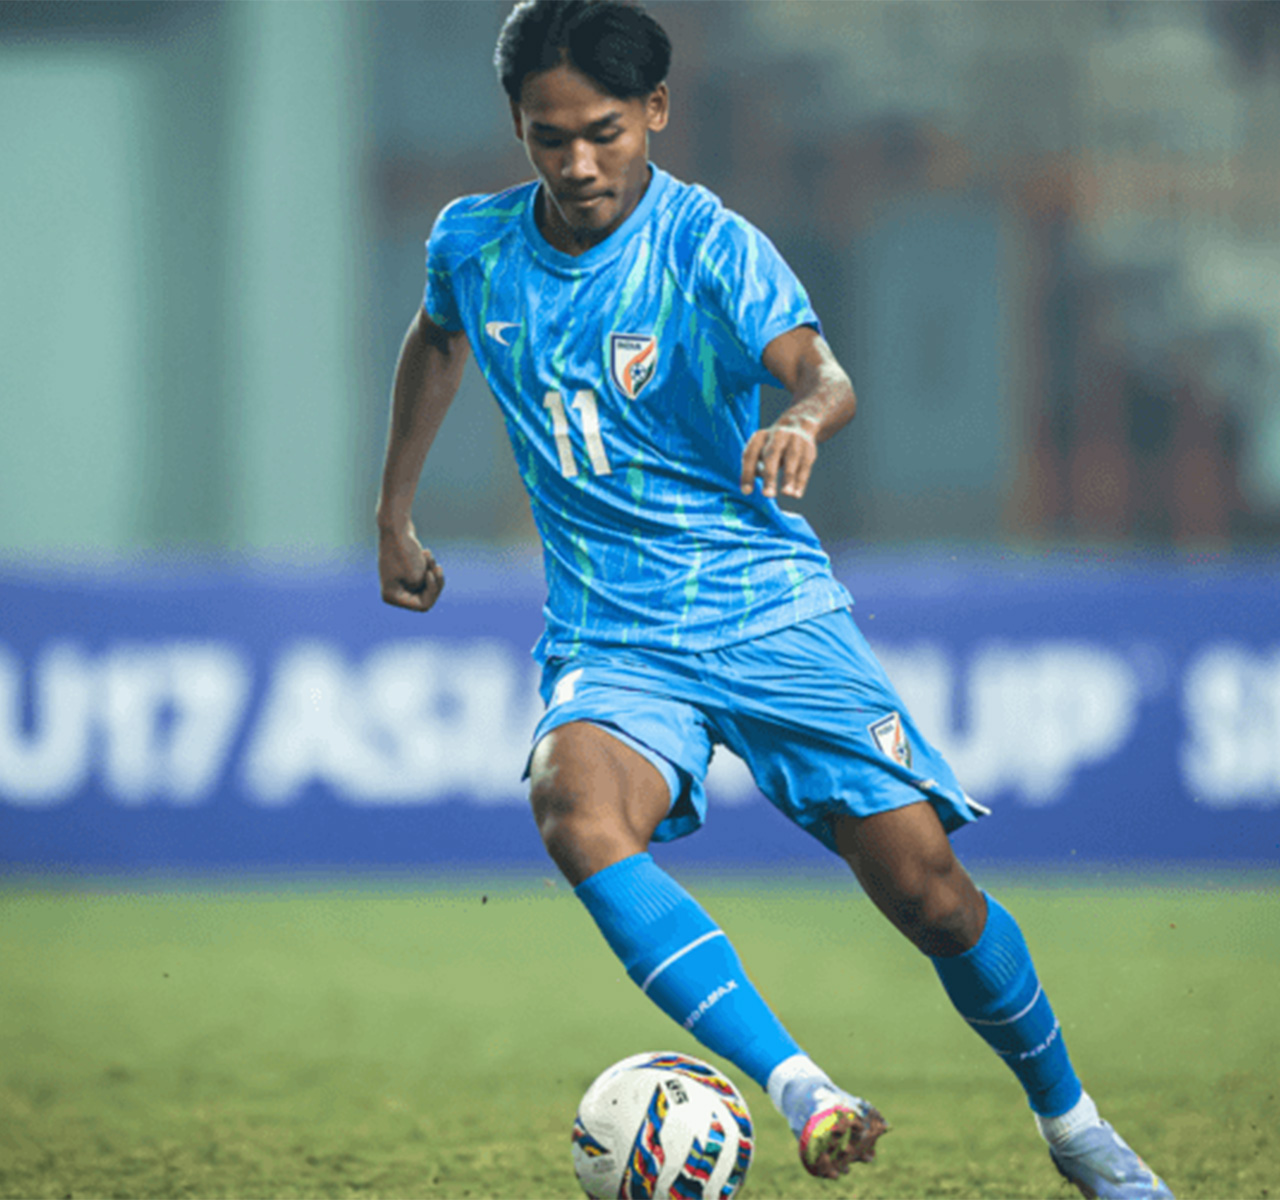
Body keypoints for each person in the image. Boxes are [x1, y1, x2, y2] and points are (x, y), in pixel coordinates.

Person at [374, 1, 1171, 1194]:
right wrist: (394, 510)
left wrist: (800, 416)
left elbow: (821, 371)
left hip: (765, 611)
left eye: (603, 130)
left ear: (653, 112)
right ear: (518, 127)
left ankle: (1073, 1128)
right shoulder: (474, 243)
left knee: (932, 898)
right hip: (614, 631)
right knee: (572, 806)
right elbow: (438, 338)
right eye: (549, 137)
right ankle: (804, 1090)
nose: (578, 163)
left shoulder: (710, 246)